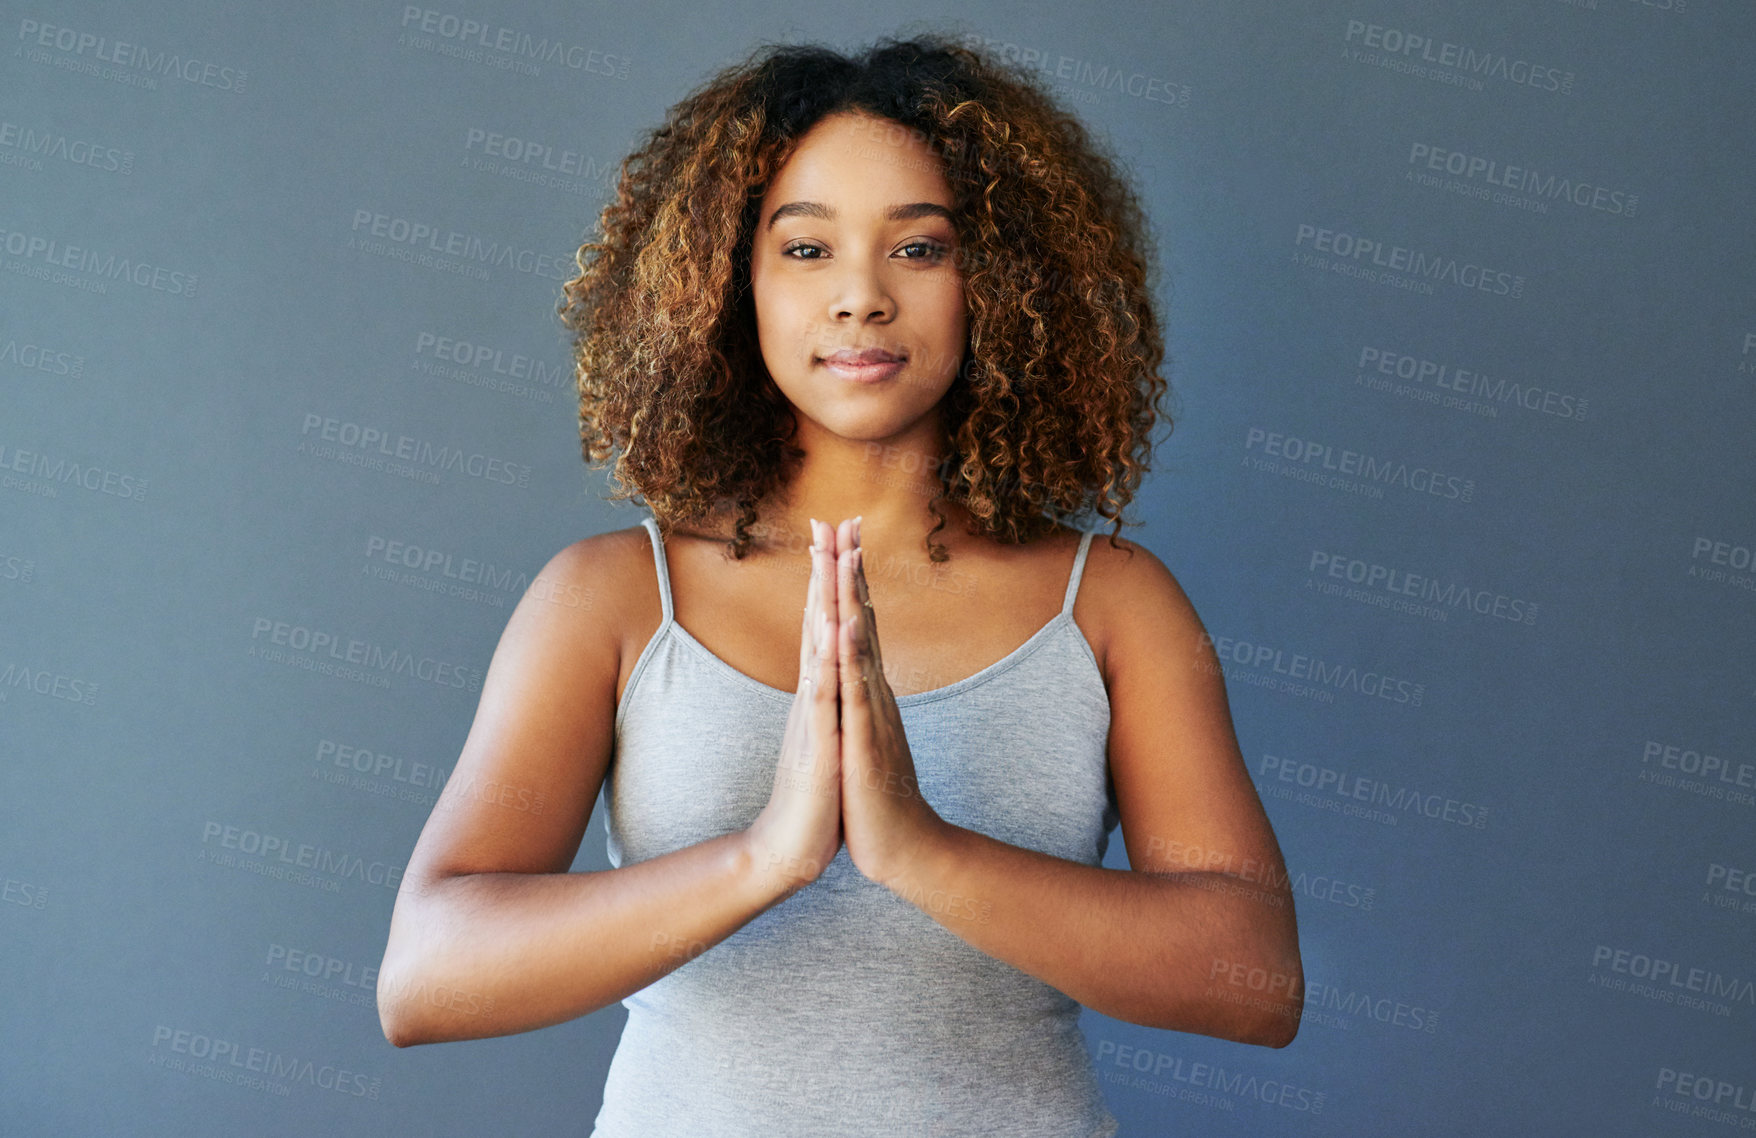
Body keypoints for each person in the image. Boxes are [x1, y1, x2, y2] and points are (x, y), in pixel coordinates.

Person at [376, 33, 1304, 1136]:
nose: (861, 297)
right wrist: (765, 856)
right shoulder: (615, 599)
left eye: (920, 249)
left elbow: (1255, 979)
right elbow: (427, 976)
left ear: (1000, 285)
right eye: (805, 250)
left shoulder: (1110, 604)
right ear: (730, 284)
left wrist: (922, 849)